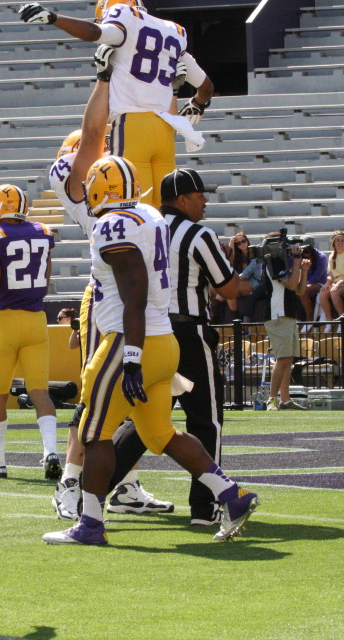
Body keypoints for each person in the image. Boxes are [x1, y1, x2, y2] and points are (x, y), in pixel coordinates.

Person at [42, 155, 258, 546]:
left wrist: (131, 358)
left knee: (94, 431)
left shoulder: (113, 224)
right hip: (165, 341)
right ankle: (232, 494)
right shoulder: (149, 215)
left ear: (102, 189)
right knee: (161, 432)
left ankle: (90, 524)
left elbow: (134, 294)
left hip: (130, 339)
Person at [46, 63, 171, 519]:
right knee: (96, 395)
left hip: (133, 291)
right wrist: (106, 80)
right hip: (109, 296)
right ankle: (70, 484)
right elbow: (95, 135)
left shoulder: (123, 198)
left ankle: (125, 485)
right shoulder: (81, 173)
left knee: (132, 398)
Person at [110, 167, 249, 526]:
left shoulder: (142, 227)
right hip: (187, 333)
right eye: (200, 196)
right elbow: (228, 288)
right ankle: (206, 507)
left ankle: (89, 493)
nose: (205, 202)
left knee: (143, 421)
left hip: (145, 332)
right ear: (183, 199)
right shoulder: (198, 234)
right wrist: (250, 277)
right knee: (206, 420)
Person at [19, 0, 213, 209]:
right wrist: (197, 104)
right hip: (165, 131)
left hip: (133, 126)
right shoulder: (174, 31)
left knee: (132, 206)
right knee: (165, 210)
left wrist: (54, 18)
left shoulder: (123, 16)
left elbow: (94, 32)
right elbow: (206, 87)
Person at [0, 184, 60, 479]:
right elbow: (45, 278)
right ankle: (51, 451)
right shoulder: (42, 232)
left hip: (5, 322)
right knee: (40, 393)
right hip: (36, 319)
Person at [263, 233, 309, 411]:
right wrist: (296, 262)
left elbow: (300, 291)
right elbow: (290, 285)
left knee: (288, 359)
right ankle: (272, 399)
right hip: (278, 314)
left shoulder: (283, 263)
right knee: (282, 358)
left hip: (288, 314)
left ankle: (285, 399)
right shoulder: (273, 262)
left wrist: (304, 270)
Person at [317, 231, 344, 328]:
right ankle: (329, 321)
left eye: (342, 241)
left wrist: (340, 283)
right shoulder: (332, 255)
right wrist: (328, 283)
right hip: (337, 283)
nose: (340, 243)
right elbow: (331, 274)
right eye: (338, 241)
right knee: (323, 293)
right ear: (333, 242)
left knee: (334, 292)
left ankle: (342, 320)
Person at [229, 232, 264, 321]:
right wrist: (231, 246)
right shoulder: (239, 256)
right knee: (226, 293)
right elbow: (228, 266)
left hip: (256, 282)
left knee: (230, 288)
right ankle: (236, 318)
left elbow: (247, 272)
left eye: (243, 241)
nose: (242, 244)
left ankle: (238, 319)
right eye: (238, 243)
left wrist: (232, 280)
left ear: (247, 241)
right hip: (243, 281)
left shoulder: (255, 253)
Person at [298, 243, 328, 326]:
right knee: (293, 290)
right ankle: (297, 318)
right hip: (306, 282)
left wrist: (302, 285)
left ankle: (309, 318)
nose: (307, 259)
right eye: (305, 257)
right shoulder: (301, 257)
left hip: (320, 283)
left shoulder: (322, 258)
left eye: (308, 257)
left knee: (303, 291)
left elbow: (316, 277)